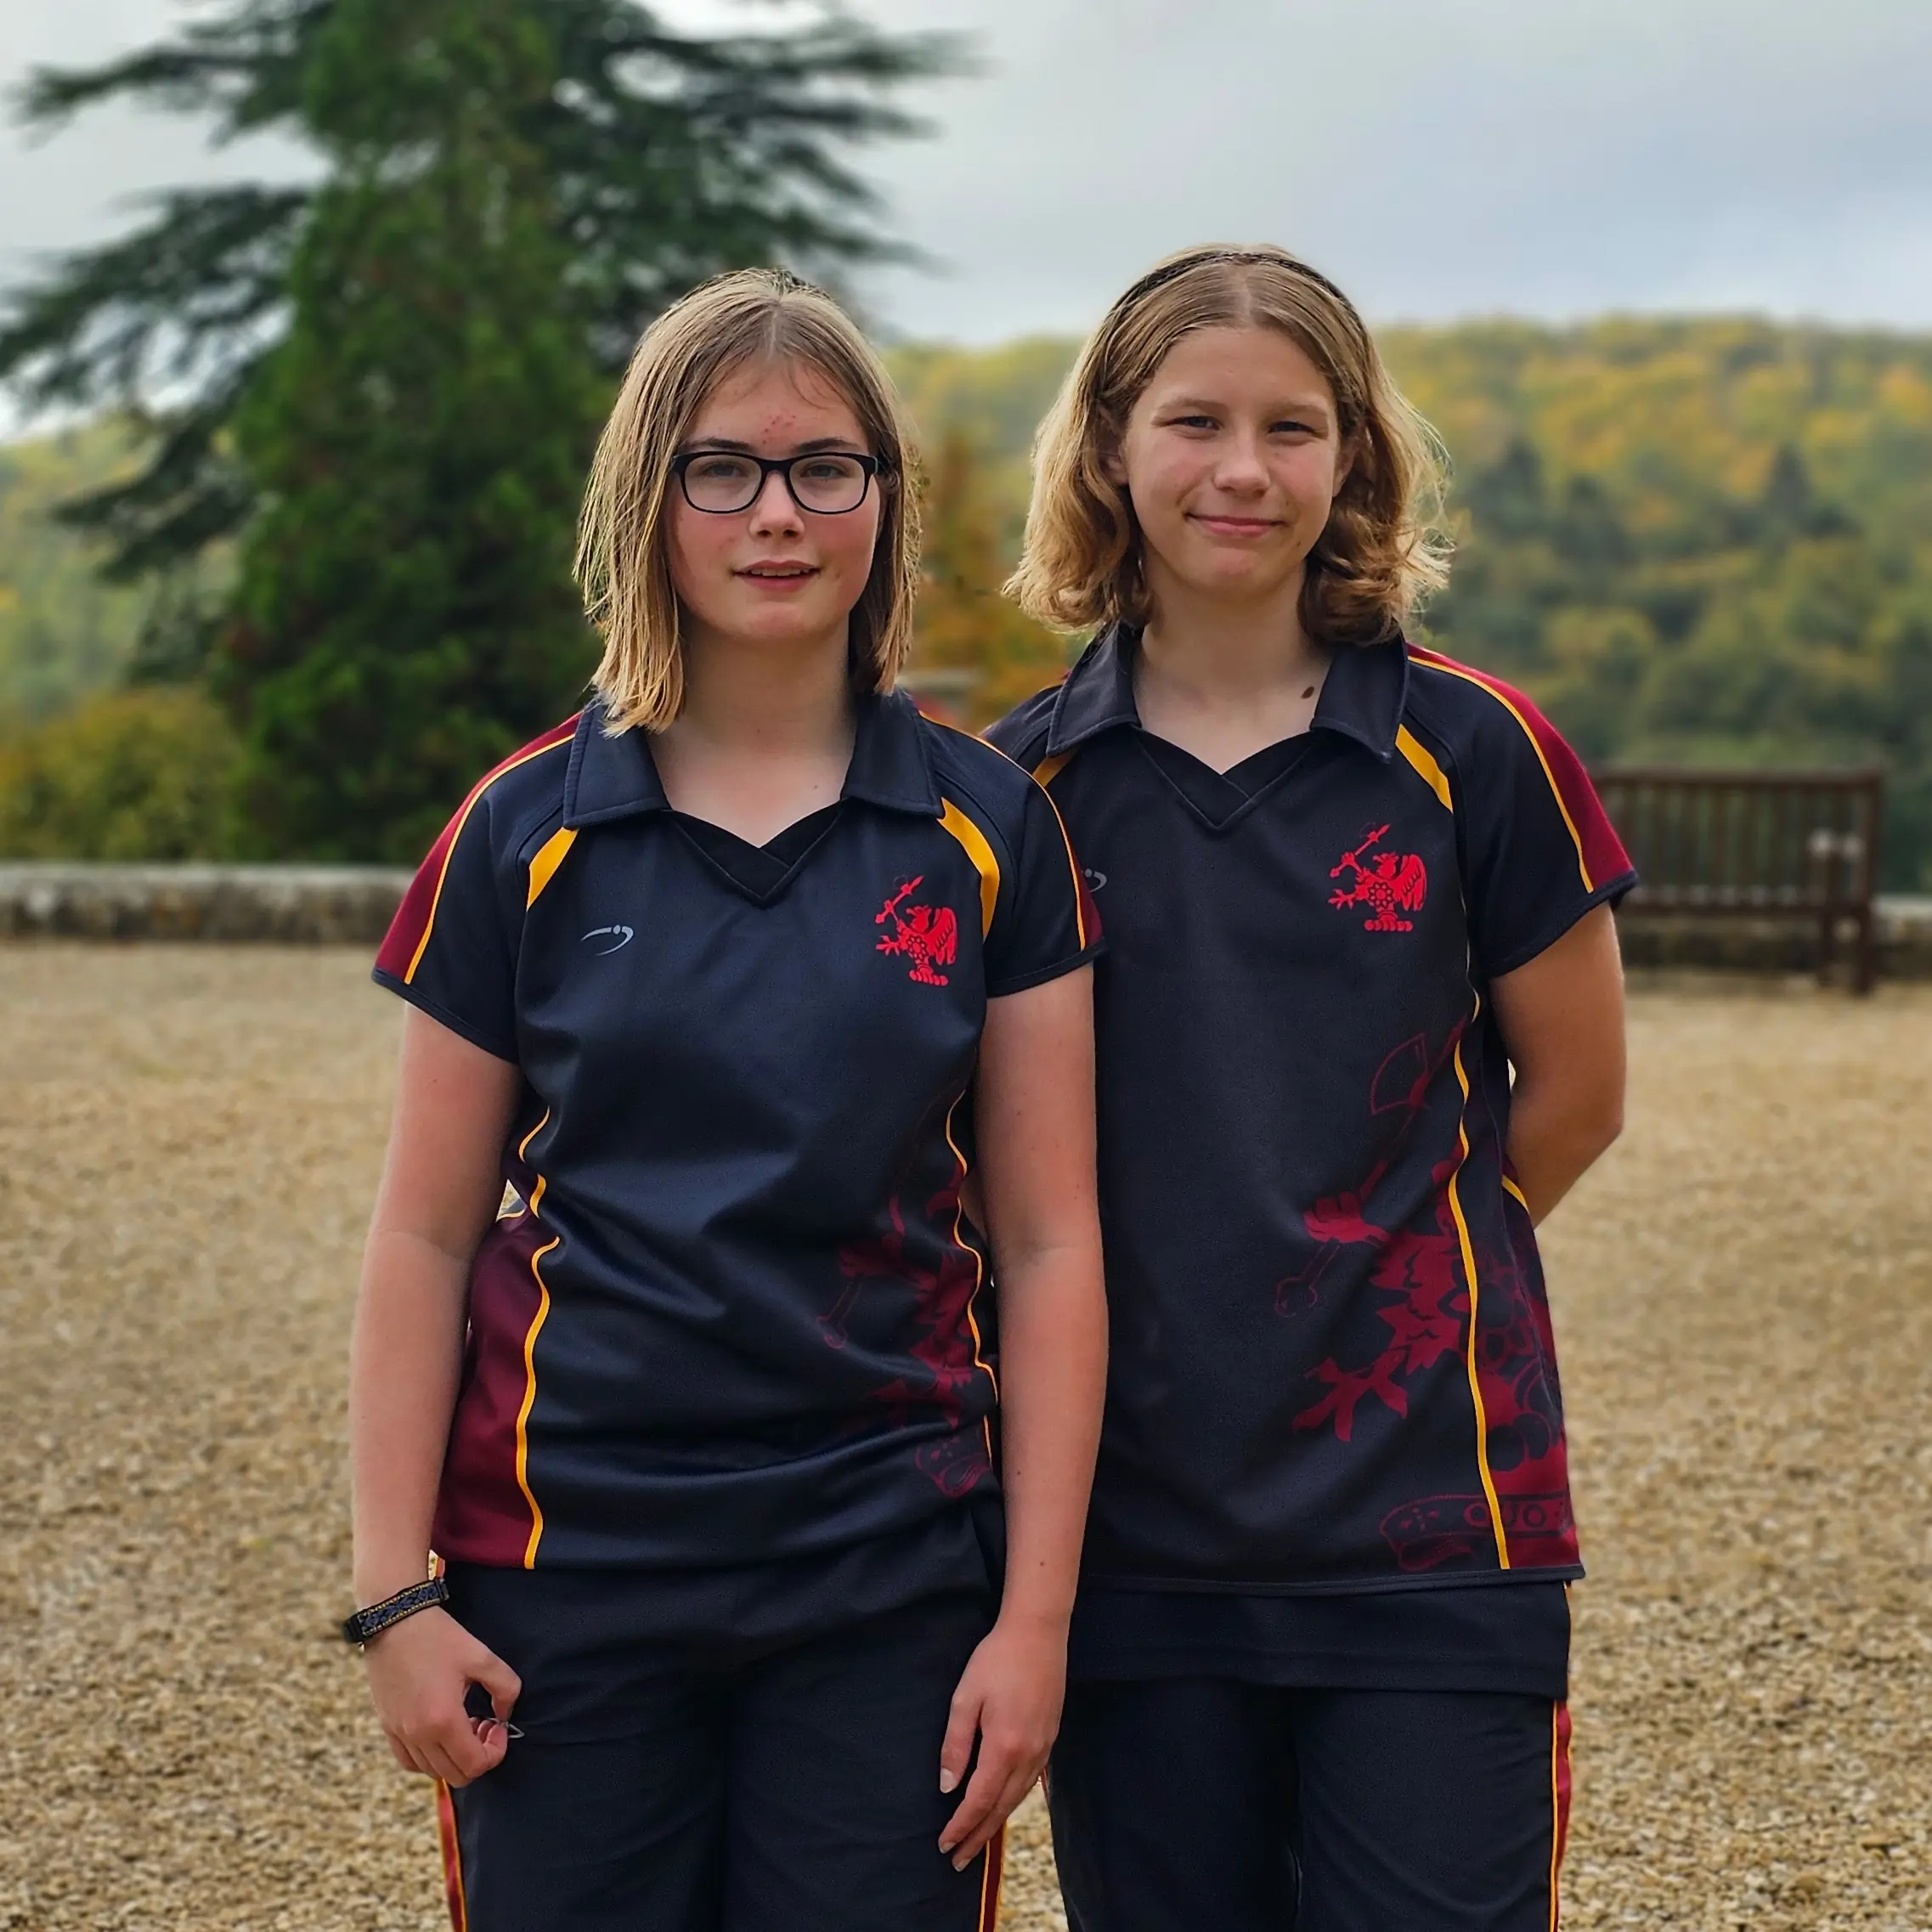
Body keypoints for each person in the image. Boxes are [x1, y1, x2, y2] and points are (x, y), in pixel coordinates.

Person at [346, 268, 1108, 1932]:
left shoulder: (990, 833)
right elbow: (420, 1235)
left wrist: (1033, 1624)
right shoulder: (522, 831)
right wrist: (395, 1595)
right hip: (569, 1583)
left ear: (883, 504)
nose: (778, 513)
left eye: (825, 466)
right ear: (651, 500)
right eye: (724, 468)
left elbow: (1051, 1246)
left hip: (890, 1586)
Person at [987, 245, 1635, 1932]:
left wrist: (1389, 1274)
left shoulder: (1477, 752)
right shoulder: (1014, 789)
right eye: (1195, 421)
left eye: (1294, 426)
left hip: (1436, 1526)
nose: (1243, 472)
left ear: (1354, 456)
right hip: (1126, 1539)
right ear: (1113, 445)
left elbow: (1571, 1094)